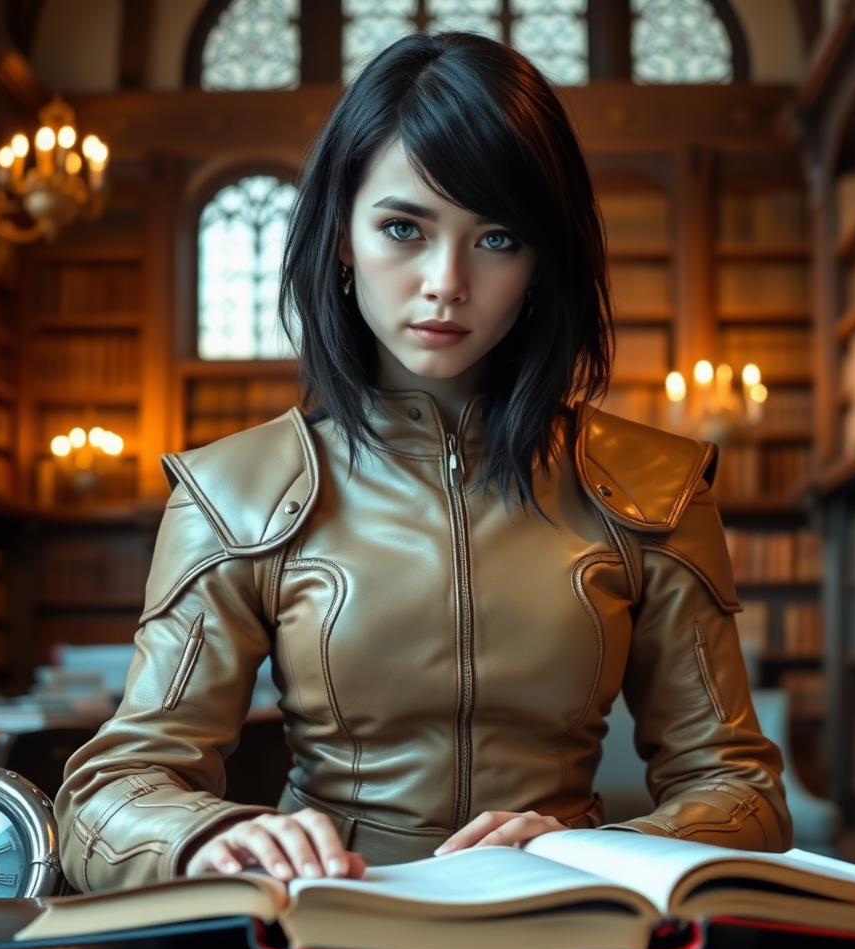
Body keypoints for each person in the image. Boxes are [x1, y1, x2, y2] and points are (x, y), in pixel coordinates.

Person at [56, 32, 790, 893]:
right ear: (340, 237)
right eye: (404, 227)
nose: (445, 281)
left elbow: (740, 790)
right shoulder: (233, 494)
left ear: (541, 263)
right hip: (329, 923)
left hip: (570, 928)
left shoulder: (656, 489)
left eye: (497, 239)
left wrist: (588, 850)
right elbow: (107, 794)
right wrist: (202, 839)